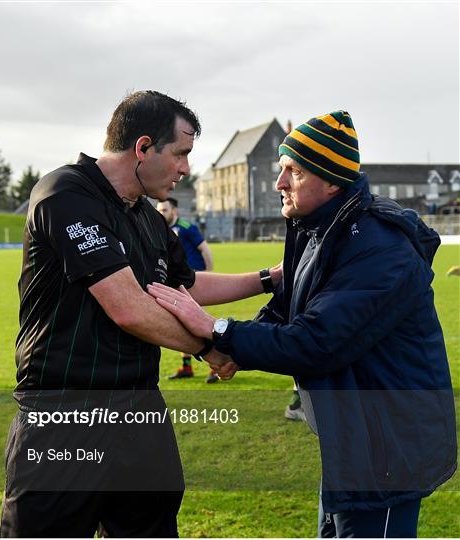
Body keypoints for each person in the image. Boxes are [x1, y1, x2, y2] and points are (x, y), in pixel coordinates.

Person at [148, 111, 457, 537]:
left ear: (331, 180)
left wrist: (217, 330)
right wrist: (223, 346)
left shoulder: (380, 248)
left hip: (387, 450)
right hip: (354, 441)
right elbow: (285, 306)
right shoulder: (318, 227)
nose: (279, 183)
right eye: (280, 169)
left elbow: (314, 340)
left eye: (293, 171)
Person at [0, 90, 282, 537]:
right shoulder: (66, 193)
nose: (187, 169)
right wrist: (212, 346)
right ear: (143, 147)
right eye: (181, 154)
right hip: (65, 416)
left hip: (139, 411)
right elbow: (128, 308)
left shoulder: (148, 219)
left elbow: (185, 285)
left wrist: (268, 278)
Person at [157, 197, 218, 383]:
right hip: (178, 284)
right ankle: (186, 366)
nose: (161, 214)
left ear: (174, 211)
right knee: (181, 324)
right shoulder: (161, 229)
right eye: (159, 210)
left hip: (195, 281)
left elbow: (205, 249)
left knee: (202, 325)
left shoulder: (186, 227)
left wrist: (208, 274)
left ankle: (215, 367)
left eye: (165, 210)